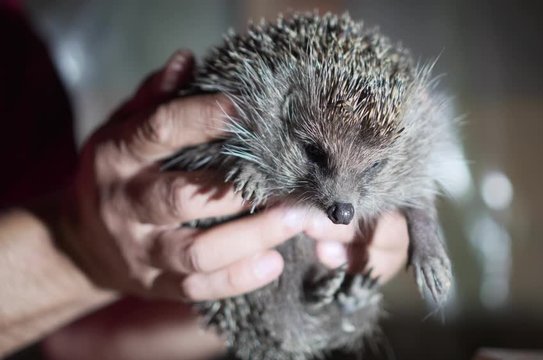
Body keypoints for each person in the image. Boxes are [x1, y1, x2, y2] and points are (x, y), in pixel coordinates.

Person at [0, 5, 409, 360]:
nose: (342, 204)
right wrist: (80, 248)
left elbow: (69, 340)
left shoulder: (22, 59)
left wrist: (226, 275)